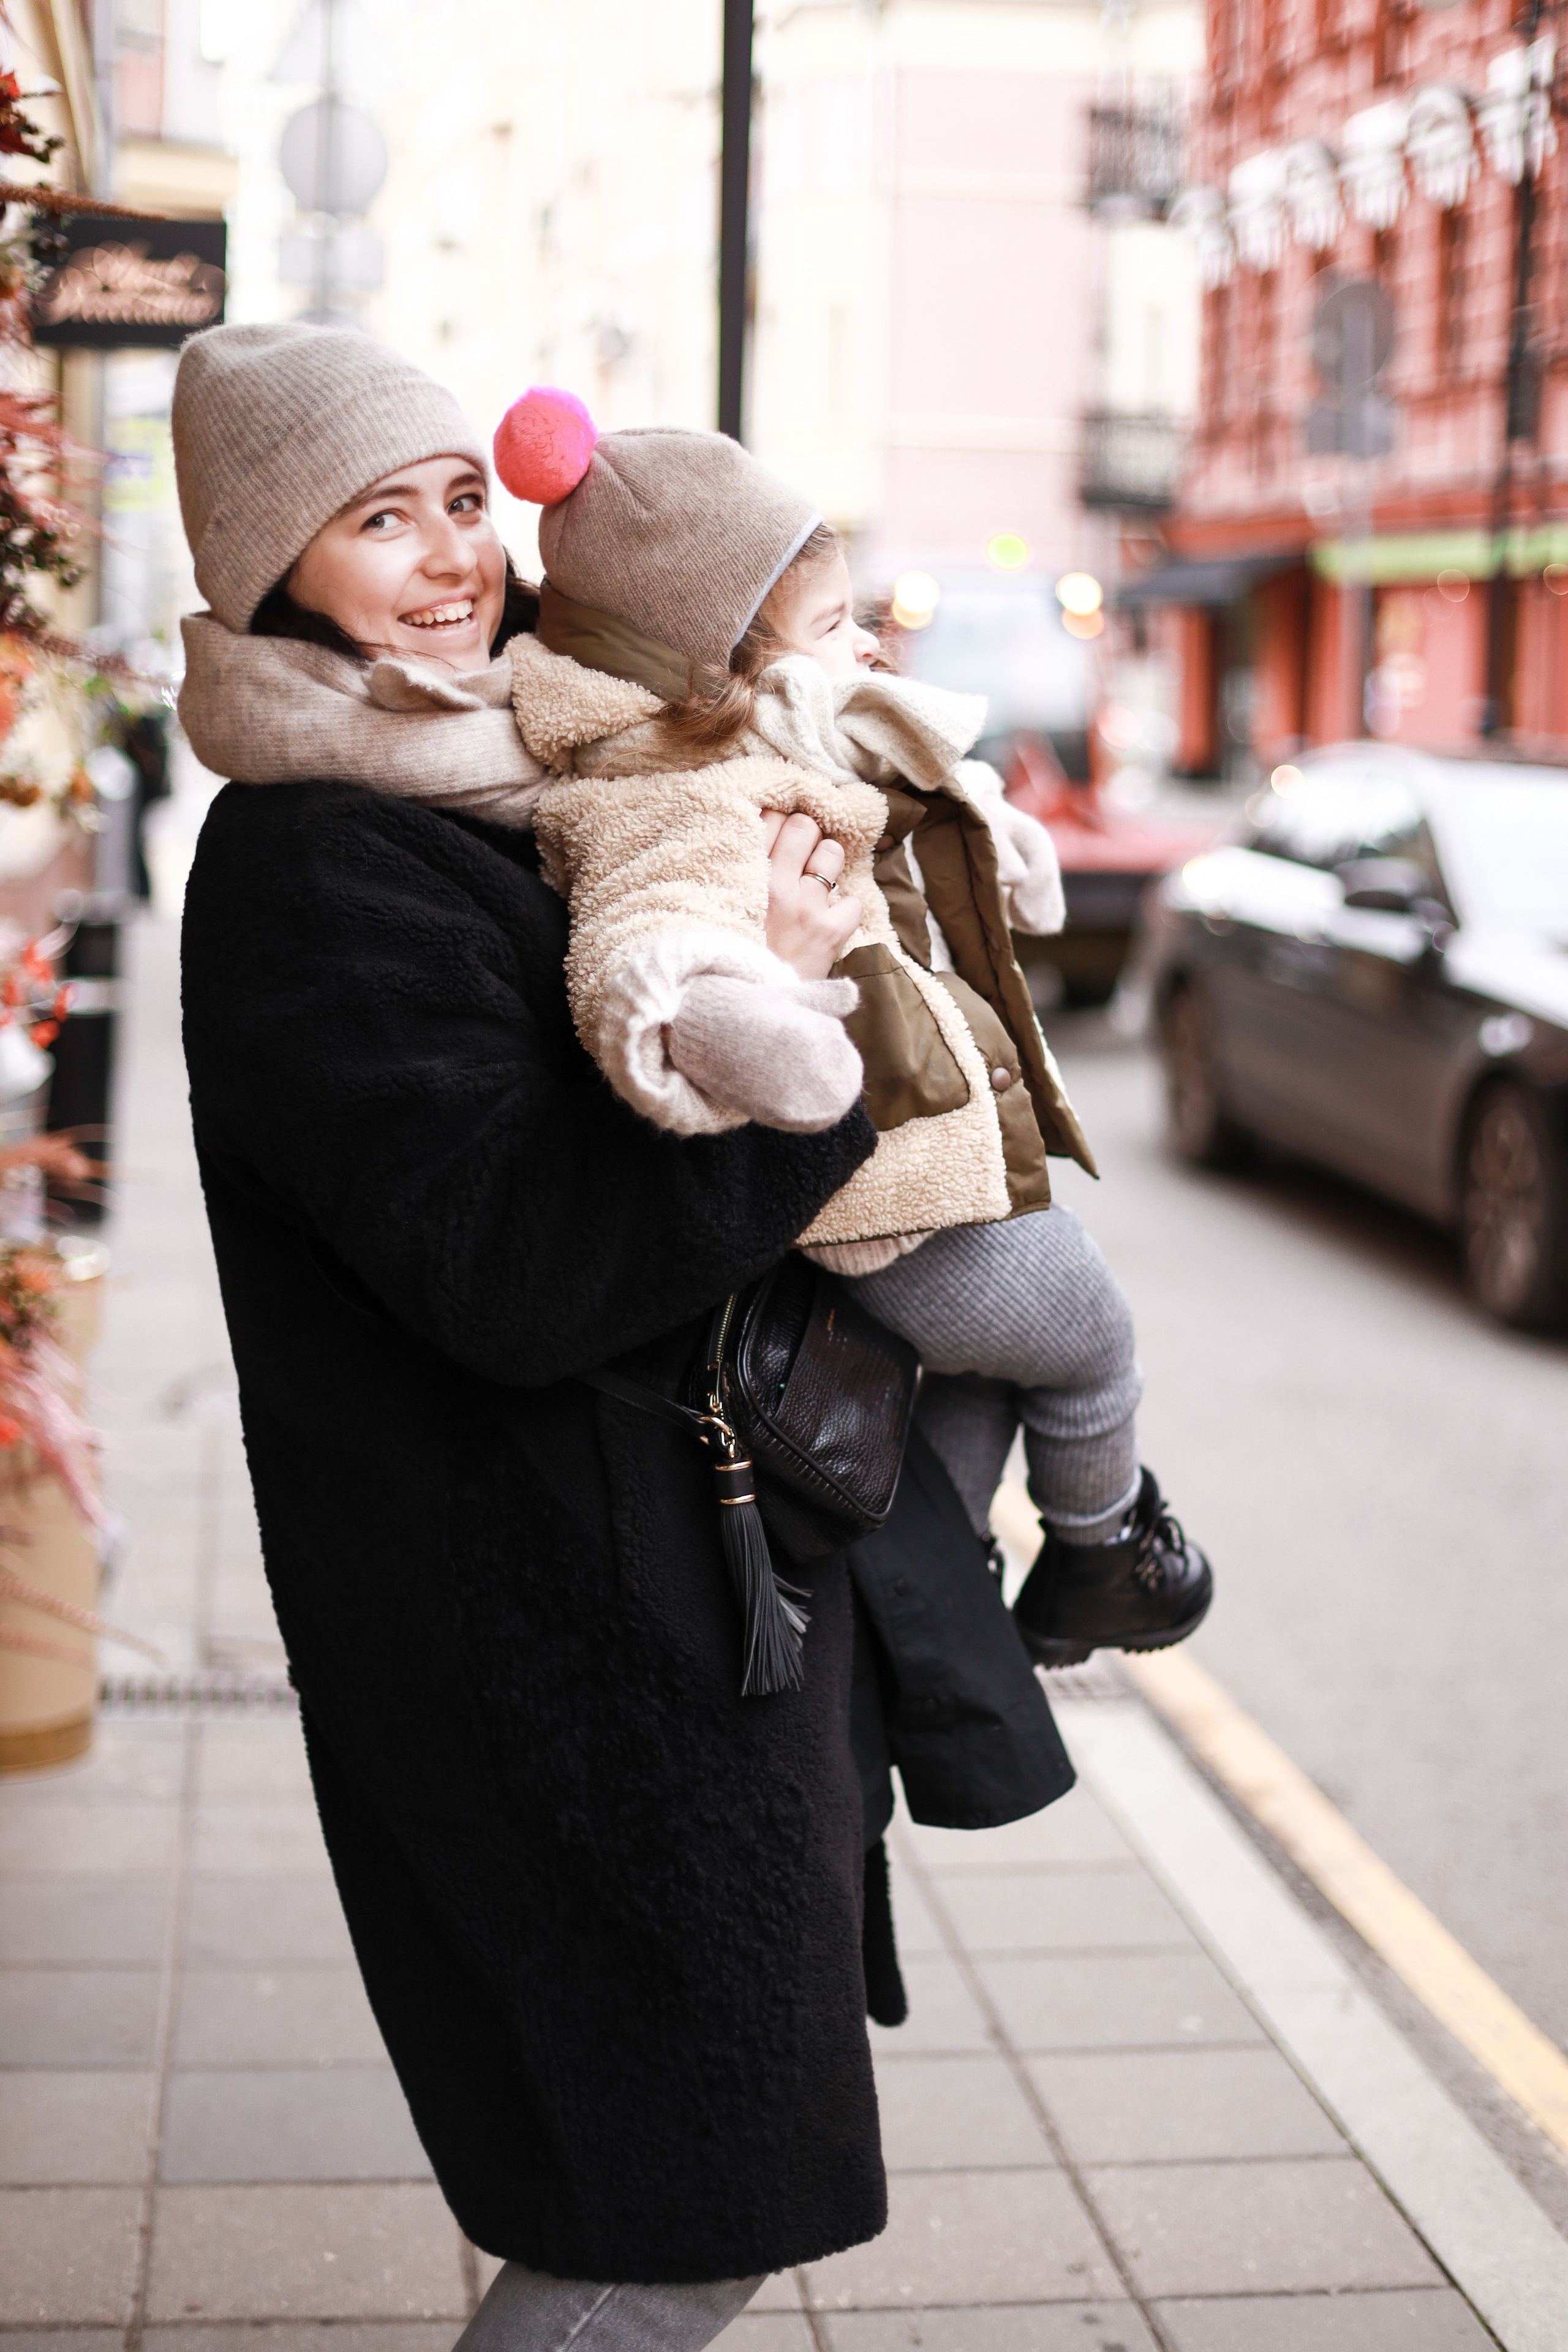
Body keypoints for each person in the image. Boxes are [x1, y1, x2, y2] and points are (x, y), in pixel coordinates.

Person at [173, 322, 1081, 2352]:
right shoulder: (315, 865)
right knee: (664, 2224)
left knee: (664, 2188)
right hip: (554, 1653)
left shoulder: (488, 782)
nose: (445, 558)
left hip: (658, 1602)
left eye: (461, 503)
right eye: (371, 519)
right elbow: (511, 1269)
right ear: (266, 566)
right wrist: (787, 1025)